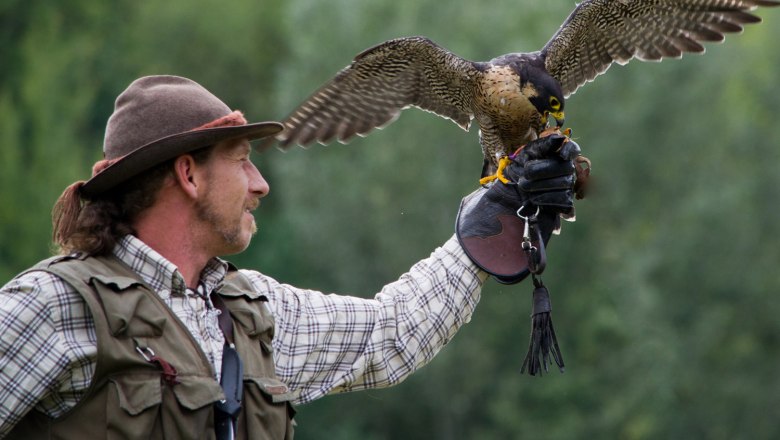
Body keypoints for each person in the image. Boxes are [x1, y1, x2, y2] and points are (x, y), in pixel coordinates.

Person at [0, 75, 579, 439]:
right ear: (188, 174)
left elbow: (393, 333)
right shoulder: (54, 307)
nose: (260, 183)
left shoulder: (251, 312)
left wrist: (495, 214)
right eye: (242, 158)